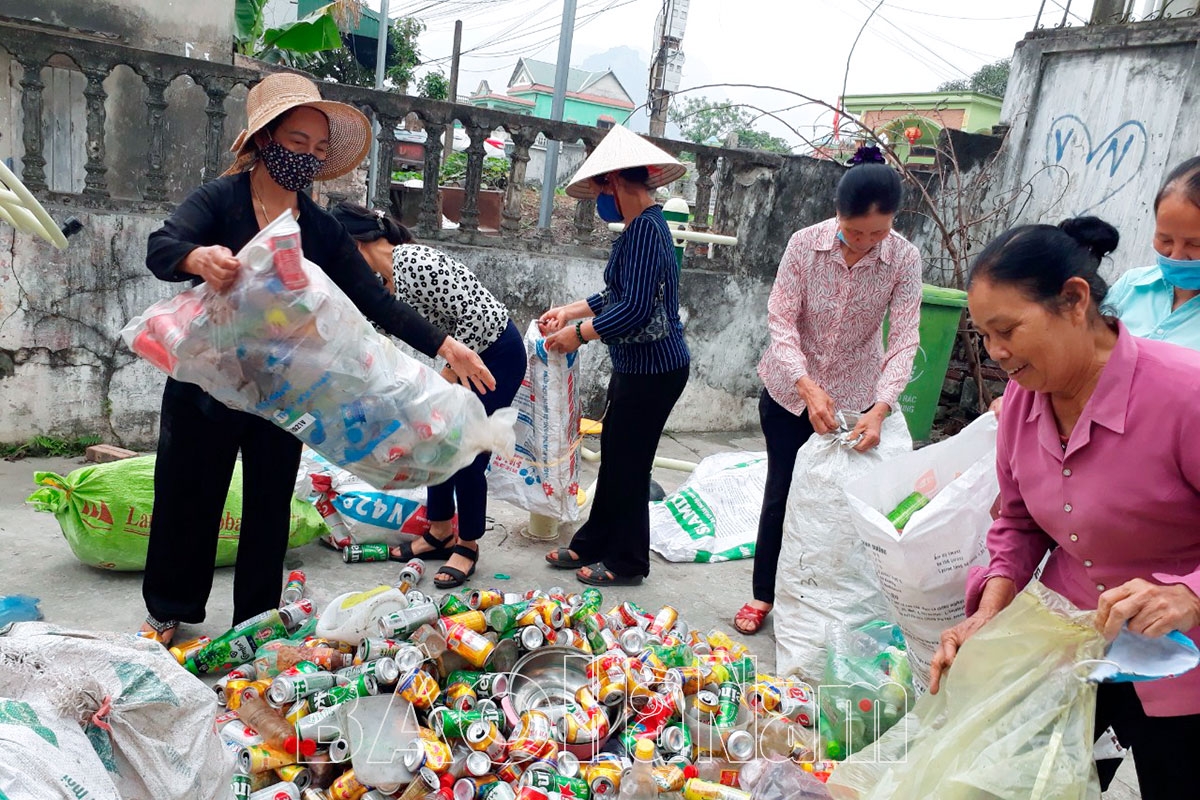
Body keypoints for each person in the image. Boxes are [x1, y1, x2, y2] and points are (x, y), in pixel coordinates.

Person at [138, 73, 495, 644]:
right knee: (186, 497)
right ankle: (167, 611)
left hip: (284, 395)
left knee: (268, 508)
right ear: (264, 139)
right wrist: (197, 258)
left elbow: (375, 299)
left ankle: (255, 623)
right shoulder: (218, 199)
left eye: (319, 149)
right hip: (207, 386)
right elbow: (161, 248)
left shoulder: (320, 227)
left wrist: (445, 344)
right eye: (297, 143)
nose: (308, 157)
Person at [929, 217, 1200, 798]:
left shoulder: (1184, 395)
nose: (997, 353)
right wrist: (990, 610)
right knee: (1029, 783)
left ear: (1075, 300)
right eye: (984, 337)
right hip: (1071, 646)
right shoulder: (1024, 403)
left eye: (1008, 330)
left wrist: (1187, 594)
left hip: (1184, 668)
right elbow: (1019, 519)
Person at [733, 146, 923, 635]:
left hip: (855, 399)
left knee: (837, 504)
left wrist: (881, 408)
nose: (863, 243)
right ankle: (763, 595)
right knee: (782, 492)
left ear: (893, 223)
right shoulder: (804, 245)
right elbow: (782, 320)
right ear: (838, 214)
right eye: (855, 231)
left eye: (876, 234)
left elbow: (903, 339)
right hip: (788, 392)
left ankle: (821, 599)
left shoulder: (903, 258)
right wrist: (806, 385)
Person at [330, 203, 524, 588]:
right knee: (432, 439)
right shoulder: (380, 285)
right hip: (459, 362)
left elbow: (476, 315)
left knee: (466, 450)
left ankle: (467, 544)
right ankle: (439, 532)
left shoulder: (414, 261)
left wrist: (448, 374)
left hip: (494, 354)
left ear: (353, 243)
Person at [537, 125, 690, 587]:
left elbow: (637, 309)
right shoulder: (640, 229)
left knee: (629, 463)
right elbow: (617, 295)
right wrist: (570, 311)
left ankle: (627, 562)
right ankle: (593, 541)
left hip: (655, 370)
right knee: (617, 457)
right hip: (638, 367)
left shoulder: (646, 229)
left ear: (616, 181)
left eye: (602, 186)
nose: (600, 197)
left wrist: (578, 334)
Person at [989, 156, 1200, 418]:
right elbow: (1076, 355)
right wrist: (1022, 398)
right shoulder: (1133, 287)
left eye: (1195, 245)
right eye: (1164, 238)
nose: (1176, 255)